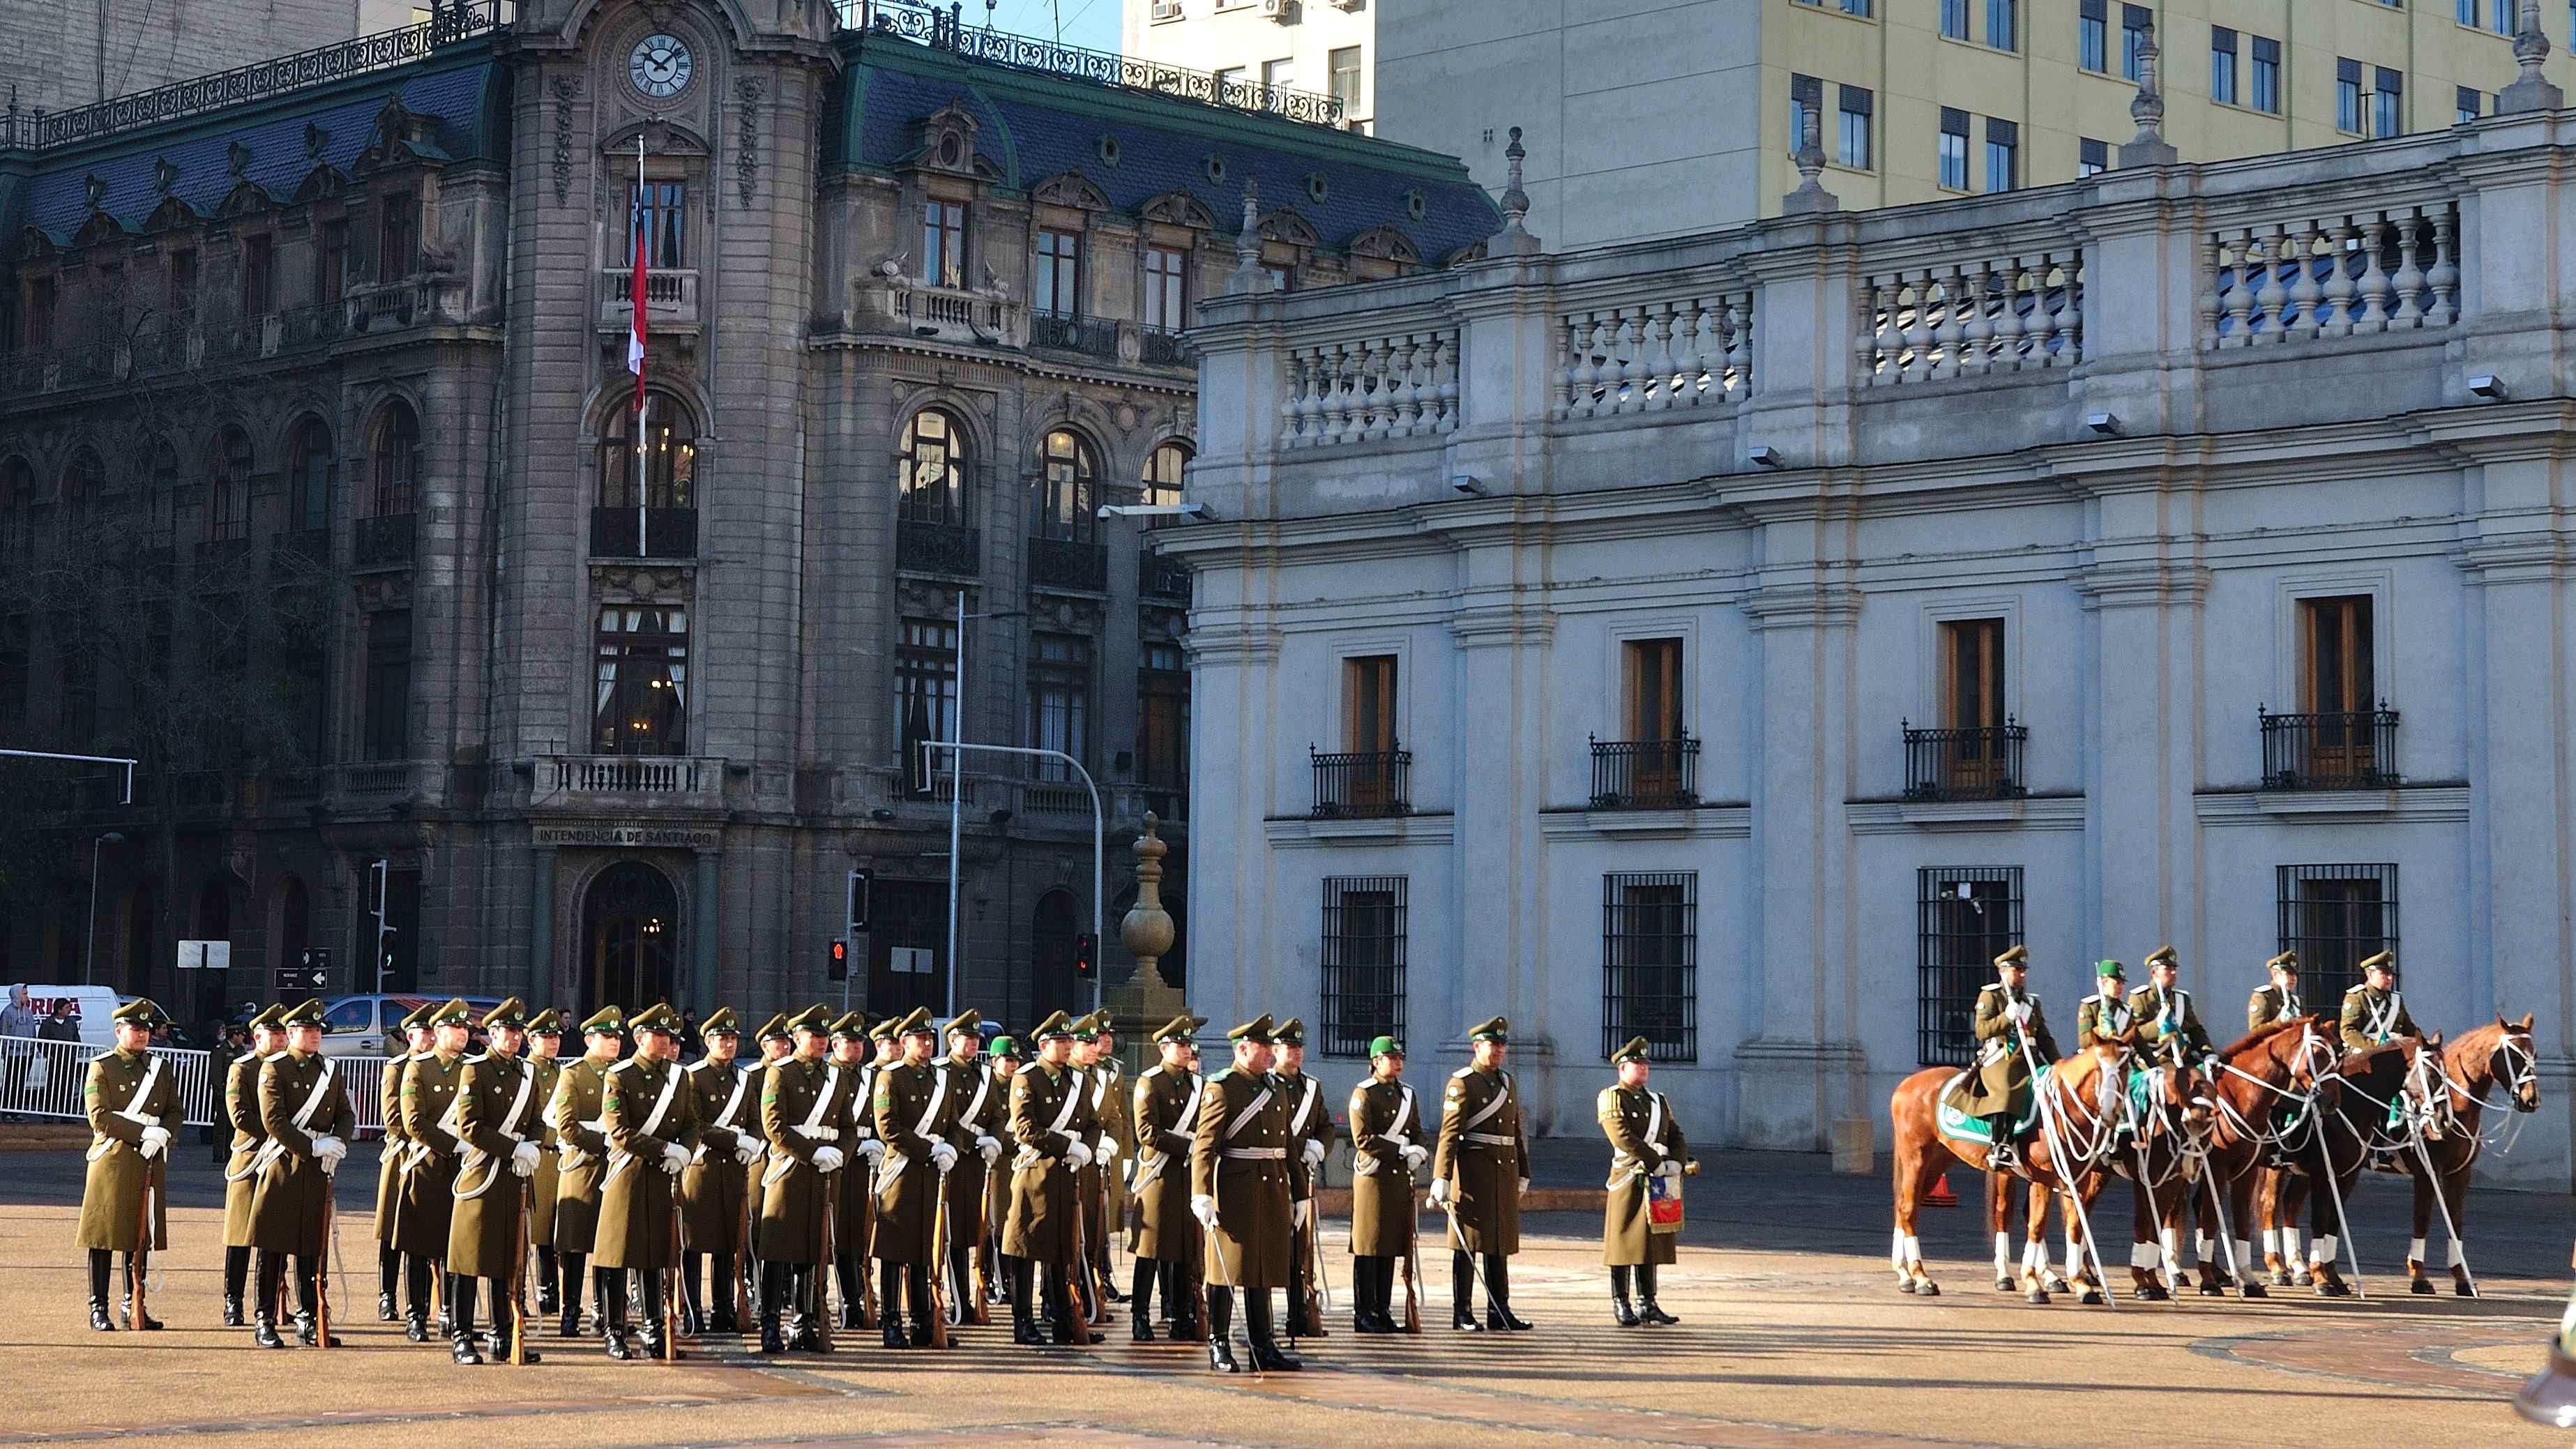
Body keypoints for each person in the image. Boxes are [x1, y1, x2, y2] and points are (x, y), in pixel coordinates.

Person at [595, 1002, 702, 1360]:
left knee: (657, 1254)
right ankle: (615, 1329)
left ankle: (655, 1329)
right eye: (658, 1035)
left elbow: (691, 1122)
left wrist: (685, 1151)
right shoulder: (620, 1076)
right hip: (629, 1173)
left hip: (663, 1177)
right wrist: (665, 1149)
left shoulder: (679, 1077)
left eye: (668, 1035)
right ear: (640, 1037)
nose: (665, 1041)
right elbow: (619, 1131)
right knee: (619, 1254)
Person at [1190, 1013, 1296, 1373]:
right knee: (1226, 1268)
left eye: (1270, 1046)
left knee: (1262, 1267)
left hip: (1272, 1187)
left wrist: (1300, 1194)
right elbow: (1205, 1146)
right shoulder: (1223, 1087)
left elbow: (1288, 1145)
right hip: (1235, 1188)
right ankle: (1218, 1342)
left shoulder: (1276, 1087)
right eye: (1263, 1046)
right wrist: (1202, 1193)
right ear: (1242, 1049)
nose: (1270, 1052)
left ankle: (1263, 1344)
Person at [245, 1000, 351, 1349]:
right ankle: (265, 1320)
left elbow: (345, 1113)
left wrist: (338, 1143)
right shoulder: (275, 1068)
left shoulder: (330, 1070)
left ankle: (309, 1318)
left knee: (311, 1247)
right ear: (291, 1033)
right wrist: (312, 1147)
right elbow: (273, 1120)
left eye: (318, 1030)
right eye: (308, 1030)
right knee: (273, 1247)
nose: (316, 1035)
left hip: (318, 1171)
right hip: (284, 1166)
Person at [445, 998, 546, 1365]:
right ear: (492, 1033)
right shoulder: (476, 1071)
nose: (515, 1037)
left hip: (515, 1179)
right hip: (483, 1175)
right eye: (508, 1031)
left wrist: (532, 1146)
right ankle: (462, 1337)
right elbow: (470, 1126)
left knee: (509, 1259)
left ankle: (503, 1335)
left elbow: (537, 1120)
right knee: (469, 1259)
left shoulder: (528, 1073)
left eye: (519, 1031)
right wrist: (513, 1149)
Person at [75, 999, 183, 1332]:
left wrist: (163, 1134)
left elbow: (175, 1111)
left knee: (140, 1236)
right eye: (135, 1029)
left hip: (150, 1158)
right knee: (104, 1236)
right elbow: (100, 1117)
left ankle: (133, 1302)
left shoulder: (160, 1068)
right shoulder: (102, 1067)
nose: (142, 1035)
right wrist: (143, 1133)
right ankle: (98, 1307)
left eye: (145, 1030)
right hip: (113, 1160)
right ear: (119, 1031)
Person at [1431, 1015, 1531, 1332]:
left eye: (1502, 1045)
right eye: (1492, 1044)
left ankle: (1499, 1310)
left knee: (1499, 1244)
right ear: (1477, 1047)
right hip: (1474, 1174)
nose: (1499, 1050)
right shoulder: (1463, 1083)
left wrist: (1523, 1171)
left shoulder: (1507, 1082)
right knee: (1468, 1245)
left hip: (1504, 1174)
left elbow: (1515, 1131)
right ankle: (1462, 1312)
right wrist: (1441, 1176)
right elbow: (1450, 1133)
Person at [757, 1004, 846, 1353]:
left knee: (813, 1249)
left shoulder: (835, 1076)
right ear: (796, 1038)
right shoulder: (780, 1073)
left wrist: (841, 1153)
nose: (821, 1042)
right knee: (778, 1249)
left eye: (825, 1036)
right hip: (790, 1170)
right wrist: (813, 1153)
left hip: (823, 1174)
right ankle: (770, 1324)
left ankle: (804, 1322)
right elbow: (774, 1126)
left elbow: (848, 1126)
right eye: (814, 1035)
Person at [1004, 1010, 1096, 1346]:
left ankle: (1062, 1318)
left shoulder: (1079, 1080)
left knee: (1062, 1248)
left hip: (1066, 1176)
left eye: (1069, 1040)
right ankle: (1023, 1321)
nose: (1068, 1046)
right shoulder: (1027, 1078)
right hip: (1036, 1175)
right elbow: (1025, 1128)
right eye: (1061, 1041)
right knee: (1026, 1248)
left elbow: (1093, 1122)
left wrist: (1086, 1149)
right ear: (1044, 1045)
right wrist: (1067, 1145)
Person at [872, 1006, 959, 1347]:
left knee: (927, 1247)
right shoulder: (891, 1077)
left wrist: (951, 1148)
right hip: (902, 1173)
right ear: (905, 1042)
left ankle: (923, 1321)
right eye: (920, 1038)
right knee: (895, 1250)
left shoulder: (942, 1079)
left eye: (929, 1038)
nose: (926, 1043)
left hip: (933, 1174)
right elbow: (888, 1127)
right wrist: (929, 1149)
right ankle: (892, 1321)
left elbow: (953, 1124)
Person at [397, 998, 473, 1344]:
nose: (463, 1034)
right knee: (421, 1244)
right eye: (456, 1027)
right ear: (439, 1031)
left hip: (465, 1168)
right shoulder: (419, 1068)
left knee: (457, 1245)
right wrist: (453, 1144)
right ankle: (417, 1314)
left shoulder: (472, 1068)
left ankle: (452, 1314)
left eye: (465, 1028)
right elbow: (414, 1121)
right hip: (428, 1166)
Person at [1598, 1036, 1689, 1327]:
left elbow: (1676, 1134)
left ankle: (1647, 1302)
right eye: (1637, 1063)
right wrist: (1655, 1162)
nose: (1643, 1068)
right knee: (1623, 1240)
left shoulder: (1657, 1100)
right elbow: (1622, 1136)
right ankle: (1621, 1301)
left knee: (1650, 1241)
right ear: (1623, 1068)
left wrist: (1676, 1161)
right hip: (1629, 1176)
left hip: (1657, 1177)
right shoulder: (1612, 1097)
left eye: (1645, 1063)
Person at [546, 1005, 626, 1337]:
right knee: (576, 1246)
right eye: (607, 1036)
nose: (615, 1042)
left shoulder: (623, 1073)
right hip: (582, 1167)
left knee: (612, 1245)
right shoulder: (574, 1074)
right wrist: (602, 1142)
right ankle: (570, 1311)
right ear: (590, 1039)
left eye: (617, 1036)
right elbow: (566, 1125)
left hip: (617, 1167)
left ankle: (607, 1313)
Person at [680, 1006, 759, 1337]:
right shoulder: (695, 1076)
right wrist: (736, 1140)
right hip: (704, 1168)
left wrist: (752, 1142)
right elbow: (696, 1124)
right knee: (695, 1243)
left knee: (730, 1241)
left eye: (732, 1039)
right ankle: (692, 1309)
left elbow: (755, 1120)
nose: (728, 1045)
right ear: (708, 1041)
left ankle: (724, 1307)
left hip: (735, 1170)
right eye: (722, 1039)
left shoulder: (745, 1079)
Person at [1128, 1014, 1205, 1342]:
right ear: (1163, 1048)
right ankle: (1140, 1315)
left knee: (1185, 1246)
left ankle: (1181, 1313)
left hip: (1188, 1176)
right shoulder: (1151, 1083)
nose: (1186, 1050)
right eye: (1179, 1044)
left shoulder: (1197, 1084)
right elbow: (1147, 1131)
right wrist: (1187, 1146)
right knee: (1151, 1248)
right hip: (1160, 1175)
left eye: (1188, 1044)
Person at [1345, 1033, 1425, 1334]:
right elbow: (1362, 1139)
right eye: (1392, 1058)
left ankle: (1383, 1309)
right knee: (1369, 1246)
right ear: (1376, 1062)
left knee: (1390, 1245)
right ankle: (1364, 1312)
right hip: (1374, 1178)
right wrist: (1401, 1151)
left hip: (1397, 1180)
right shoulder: (1364, 1094)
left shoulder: (1408, 1095)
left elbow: (1416, 1130)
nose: (1398, 1062)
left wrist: (1420, 1151)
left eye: (1400, 1057)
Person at [1955, 946, 2057, 1171]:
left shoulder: (2031, 1003)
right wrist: (2007, 1017)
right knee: (2006, 1091)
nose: (2022, 975)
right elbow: (1981, 1031)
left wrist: (2058, 1064)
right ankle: (1999, 1145)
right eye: (2016, 970)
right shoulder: (1991, 996)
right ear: (2003, 972)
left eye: (2023, 970)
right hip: (2001, 1059)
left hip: (2029, 1060)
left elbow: (2044, 1038)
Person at [221, 1005, 285, 1326]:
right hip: (252, 1156)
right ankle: (233, 1300)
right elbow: (240, 1115)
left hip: (282, 1157)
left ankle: (270, 1303)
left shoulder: (289, 1068)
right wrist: (279, 1133)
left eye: (284, 1034)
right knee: (240, 1233)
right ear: (258, 1037)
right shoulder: (243, 1068)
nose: (282, 1040)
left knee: (274, 1236)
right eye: (275, 1034)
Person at [937, 1010, 1001, 1326]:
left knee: (972, 1230)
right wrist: (969, 1142)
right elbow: (944, 1119)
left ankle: (969, 1297)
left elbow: (997, 1115)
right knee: (950, 1233)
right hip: (951, 1159)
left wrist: (994, 1140)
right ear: (952, 1040)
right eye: (968, 1038)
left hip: (977, 1163)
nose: (974, 1043)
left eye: (976, 1038)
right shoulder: (941, 1073)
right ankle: (954, 1299)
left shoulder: (985, 1075)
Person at [1272, 1016, 1332, 1337]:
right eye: (1289, 1047)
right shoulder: (1269, 1084)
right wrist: (1299, 1147)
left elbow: (1325, 1126)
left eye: (1299, 1047)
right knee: (1274, 1245)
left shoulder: (1311, 1087)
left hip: (1303, 1175)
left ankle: (1299, 1312)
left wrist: (1319, 1147)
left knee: (1301, 1247)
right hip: (1275, 1173)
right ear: (1275, 1051)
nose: (1296, 1053)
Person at [376, 1003, 434, 1321]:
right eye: (425, 1033)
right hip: (404, 1156)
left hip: (433, 1158)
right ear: (410, 1036)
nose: (431, 1038)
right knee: (393, 1229)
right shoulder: (397, 1068)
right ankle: (387, 1294)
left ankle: (427, 1299)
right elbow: (393, 1118)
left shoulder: (440, 1068)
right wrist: (423, 1140)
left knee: (425, 1232)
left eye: (433, 1032)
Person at [1067, 1011, 1122, 1311]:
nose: (1094, 1046)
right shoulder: (1067, 1075)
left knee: (1093, 1228)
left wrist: (1110, 1143)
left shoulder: (1102, 1076)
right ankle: (1059, 1298)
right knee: (1068, 1233)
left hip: (1096, 1162)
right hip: (1071, 1161)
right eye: (1087, 1042)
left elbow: (1114, 1117)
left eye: (1094, 1042)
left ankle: (1090, 1293)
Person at [829, 1012, 879, 1330]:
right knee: (833, 1233)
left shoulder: (871, 1078)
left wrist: (876, 1144)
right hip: (834, 1161)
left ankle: (856, 1297)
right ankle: (828, 1299)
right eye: (850, 1042)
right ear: (836, 1045)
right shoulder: (828, 1076)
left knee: (858, 1233)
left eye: (859, 1042)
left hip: (863, 1167)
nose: (856, 1047)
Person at [743, 1012, 793, 1318]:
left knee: (785, 1223)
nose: (785, 1047)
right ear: (765, 1046)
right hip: (761, 1156)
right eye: (779, 1042)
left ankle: (783, 1285)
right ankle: (752, 1280)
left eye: (787, 1042)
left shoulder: (790, 1073)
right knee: (758, 1222)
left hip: (787, 1155)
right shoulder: (752, 1077)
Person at [524, 1009, 566, 1315]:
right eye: (547, 1037)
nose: (553, 1043)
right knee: (529, 1231)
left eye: (556, 1037)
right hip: (536, 1157)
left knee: (552, 1232)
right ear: (532, 1041)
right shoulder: (527, 1072)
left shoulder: (561, 1072)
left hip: (558, 1160)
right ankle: (520, 1291)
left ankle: (550, 1291)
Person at [983, 1034, 1022, 1308]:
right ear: (995, 1061)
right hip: (997, 1163)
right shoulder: (989, 1087)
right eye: (1008, 1060)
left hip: (1017, 1163)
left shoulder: (1019, 1085)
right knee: (994, 1224)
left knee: (1012, 1223)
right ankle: (990, 1276)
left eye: (1015, 1060)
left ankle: (1007, 1277)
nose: (1013, 1065)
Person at [2127, 946, 2212, 1065]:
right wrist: (2158, 1025)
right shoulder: (2140, 998)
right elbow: (2135, 1032)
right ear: (2154, 972)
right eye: (2168, 968)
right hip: (2153, 1060)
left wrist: (2208, 1052)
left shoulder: (2181, 999)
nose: (2173, 972)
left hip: (2182, 1058)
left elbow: (2195, 1030)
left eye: (2174, 968)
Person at [2076, 962, 2137, 1052]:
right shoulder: (2090, 1007)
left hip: (2119, 1056)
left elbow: (2138, 1042)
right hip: (2096, 1056)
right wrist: (2102, 1028)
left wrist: (2153, 1062)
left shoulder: (2126, 1010)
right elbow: (2084, 1042)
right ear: (2104, 983)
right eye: (2117, 983)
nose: (2121, 987)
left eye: (2122, 983)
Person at [2, 983, 40, 1114]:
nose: (27, 997)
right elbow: (4, 1033)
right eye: (24, 994)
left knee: (21, 1083)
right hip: (12, 1054)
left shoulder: (28, 1011)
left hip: (27, 1054)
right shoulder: (7, 1013)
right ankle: (7, 1111)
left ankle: (17, 1111)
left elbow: (33, 1031)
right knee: (10, 1082)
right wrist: (5, 1051)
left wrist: (32, 1048)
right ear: (17, 995)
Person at [2248, 950, 2305, 1030]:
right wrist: (2280, 1023)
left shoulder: (2297, 1001)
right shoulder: (2263, 996)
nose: (2294, 978)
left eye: (2296, 974)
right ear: (2276, 974)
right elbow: (2256, 1029)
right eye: (2289, 973)